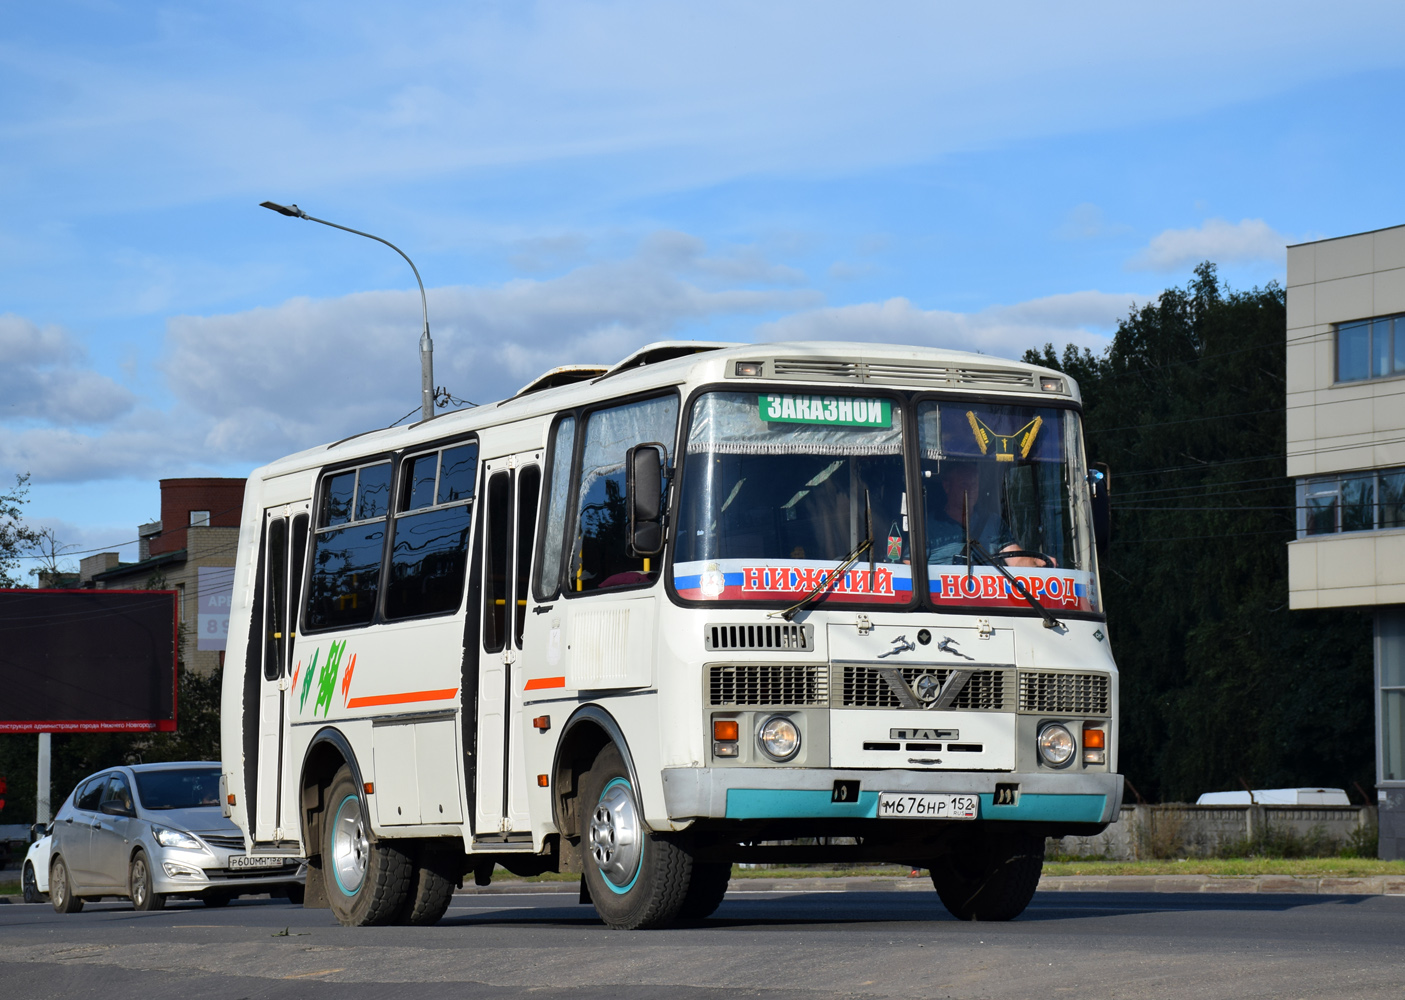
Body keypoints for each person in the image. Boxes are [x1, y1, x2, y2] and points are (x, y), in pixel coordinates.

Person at [923, 461, 1055, 569]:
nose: (971, 490)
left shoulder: (993, 523)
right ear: (947, 487)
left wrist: (1036, 561)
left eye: (974, 484)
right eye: (964, 484)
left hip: (988, 599)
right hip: (941, 599)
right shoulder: (926, 527)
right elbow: (910, 567)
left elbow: (1017, 560)